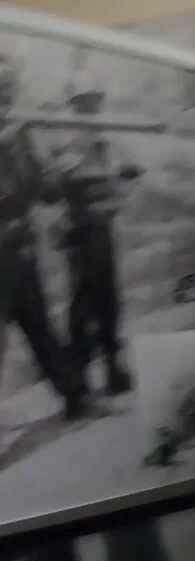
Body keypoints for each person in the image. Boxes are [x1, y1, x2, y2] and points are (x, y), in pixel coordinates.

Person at [0, 54, 88, 422]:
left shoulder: (20, 137)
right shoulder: (10, 136)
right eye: (0, 91)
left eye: (9, 91)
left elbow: (45, 191)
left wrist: (58, 171)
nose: (6, 98)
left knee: (40, 328)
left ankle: (75, 396)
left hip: (22, 250)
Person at [52, 74, 141, 397]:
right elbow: (60, 184)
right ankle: (79, 374)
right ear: (76, 105)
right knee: (83, 301)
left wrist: (120, 187)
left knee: (108, 299)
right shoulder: (68, 139)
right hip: (81, 230)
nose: (92, 108)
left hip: (103, 227)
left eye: (95, 102)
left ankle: (113, 367)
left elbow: (128, 174)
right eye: (86, 102)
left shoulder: (106, 138)